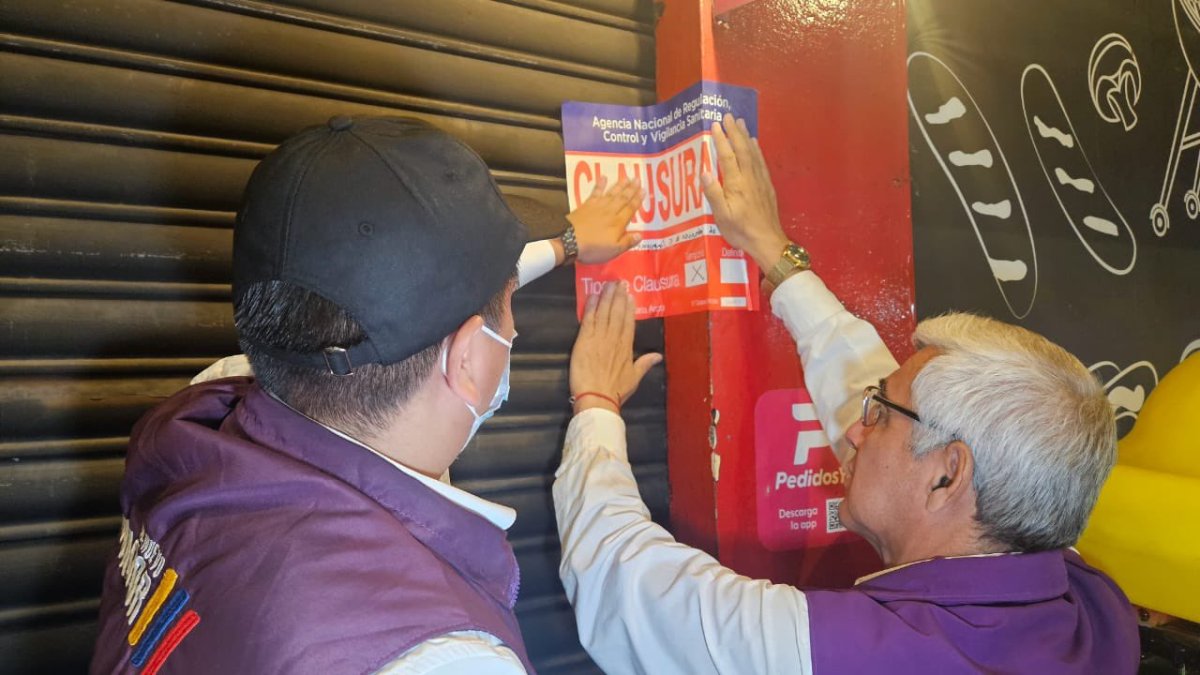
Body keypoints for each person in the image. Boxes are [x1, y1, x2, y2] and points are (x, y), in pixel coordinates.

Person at [553, 114, 1140, 674]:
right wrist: (775, 254)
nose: (853, 427)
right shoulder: (1094, 607)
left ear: (946, 476)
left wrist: (597, 408)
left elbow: (622, 585)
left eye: (878, 419)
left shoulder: (846, 655)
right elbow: (892, 404)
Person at [91, 115, 643, 675]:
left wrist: (565, 244)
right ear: (469, 360)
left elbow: (395, 304)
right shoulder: (443, 657)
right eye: (509, 309)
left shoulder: (211, 406)